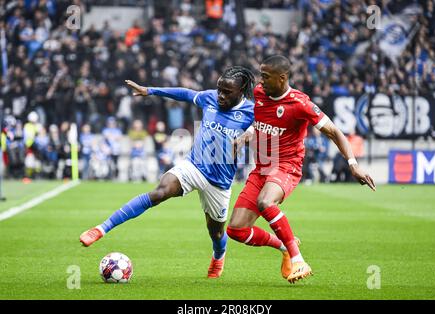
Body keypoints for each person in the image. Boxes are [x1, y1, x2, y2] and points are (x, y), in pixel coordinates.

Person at [80, 66, 256, 278]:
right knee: (160, 192)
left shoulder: (252, 111)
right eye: (219, 89)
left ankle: (219, 255)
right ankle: (101, 228)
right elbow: (185, 93)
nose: (221, 95)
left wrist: (249, 133)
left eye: (227, 92)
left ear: (241, 90)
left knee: (216, 231)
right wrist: (151, 90)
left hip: (219, 182)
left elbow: (270, 124)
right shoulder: (209, 98)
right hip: (194, 166)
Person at [228, 55, 376, 284]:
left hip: (287, 167)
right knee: (236, 230)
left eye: (266, 77)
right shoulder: (259, 93)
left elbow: (335, 133)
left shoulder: (300, 104)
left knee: (266, 202)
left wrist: (353, 165)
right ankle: (286, 246)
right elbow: (258, 124)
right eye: (261, 75)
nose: (261, 81)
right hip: (262, 168)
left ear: (282, 78)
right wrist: (244, 137)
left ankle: (299, 260)